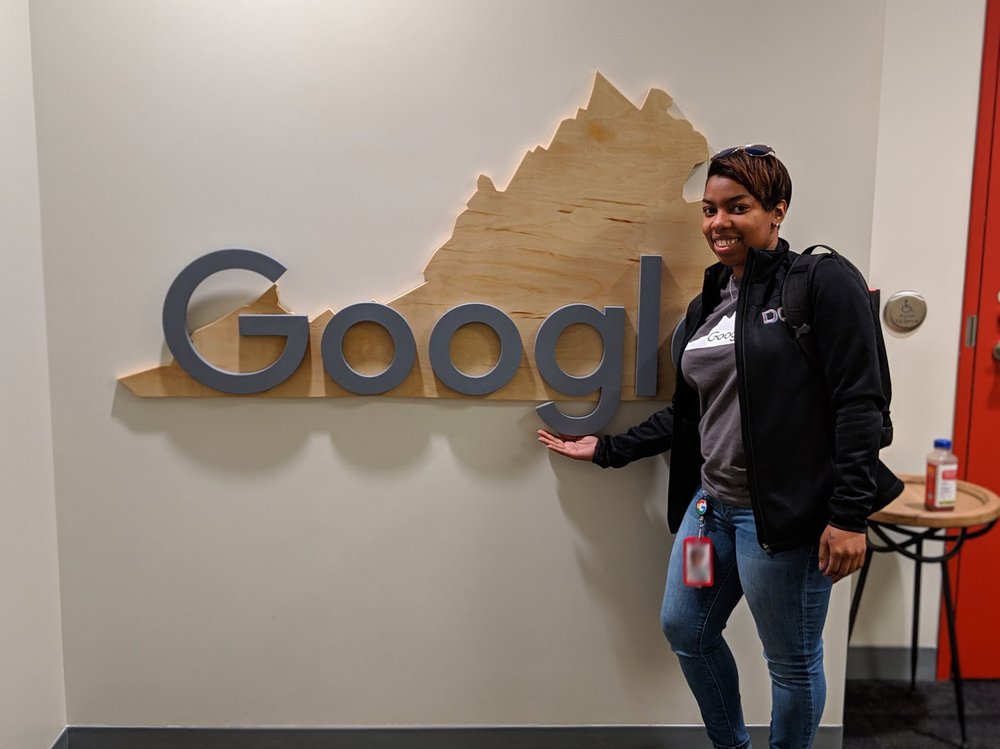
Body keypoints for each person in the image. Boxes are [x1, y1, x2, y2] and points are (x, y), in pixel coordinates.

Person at [537, 144, 901, 749]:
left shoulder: (820, 282)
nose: (718, 224)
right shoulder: (711, 300)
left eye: (738, 207)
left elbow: (859, 406)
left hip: (781, 523)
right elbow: (691, 416)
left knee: (789, 661)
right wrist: (607, 450)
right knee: (686, 627)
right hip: (711, 514)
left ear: (777, 211)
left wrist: (848, 516)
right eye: (709, 210)